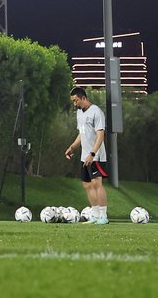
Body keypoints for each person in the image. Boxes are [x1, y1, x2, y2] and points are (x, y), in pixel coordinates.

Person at [64, 87, 109, 224]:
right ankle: (94, 215)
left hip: (96, 156)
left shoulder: (96, 112)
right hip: (85, 156)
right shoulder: (79, 113)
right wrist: (72, 147)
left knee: (97, 184)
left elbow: (100, 136)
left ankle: (103, 216)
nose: (74, 104)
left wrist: (92, 154)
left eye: (76, 101)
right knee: (87, 184)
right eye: (73, 101)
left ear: (83, 98)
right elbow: (82, 134)